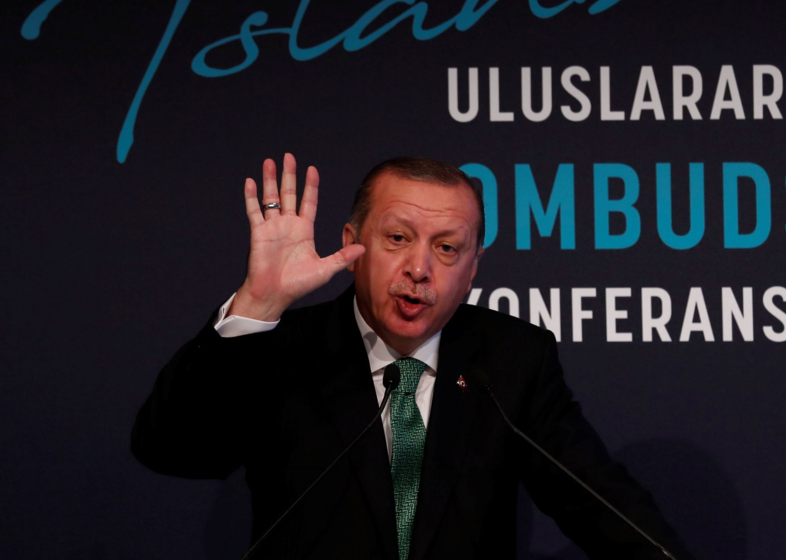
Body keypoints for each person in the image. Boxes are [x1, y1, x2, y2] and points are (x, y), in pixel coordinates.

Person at [131, 154, 690, 559]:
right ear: (352, 245)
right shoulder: (283, 347)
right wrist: (257, 304)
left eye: (447, 248)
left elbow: (600, 506)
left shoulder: (510, 360)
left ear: (473, 268)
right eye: (398, 238)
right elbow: (170, 449)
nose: (420, 269)